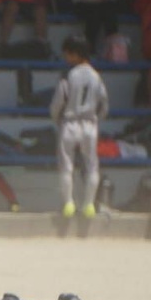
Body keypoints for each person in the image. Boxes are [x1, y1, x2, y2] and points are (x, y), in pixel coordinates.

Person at [51, 35, 109, 219]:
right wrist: (97, 119)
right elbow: (104, 103)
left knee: (66, 166)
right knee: (92, 165)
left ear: (75, 54)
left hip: (69, 123)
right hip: (89, 124)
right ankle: (89, 204)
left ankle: (68, 203)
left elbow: (57, 102)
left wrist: (57, 119)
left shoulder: (67, 75)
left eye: (67, 54)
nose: (66, 58)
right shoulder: (96, 76)